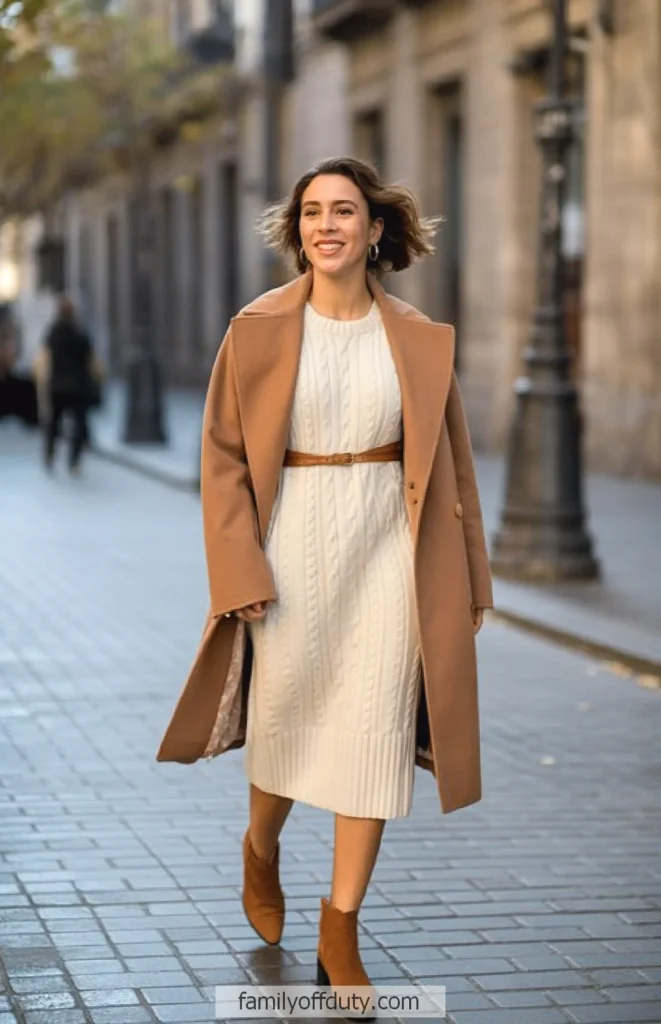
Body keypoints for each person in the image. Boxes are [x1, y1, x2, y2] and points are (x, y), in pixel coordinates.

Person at [156, 157, 493, 1015]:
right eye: (312, 212)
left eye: (344, 210)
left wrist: (471, 581)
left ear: (376, 229)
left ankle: (339, 925)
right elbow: (223, 459)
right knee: (284, 722)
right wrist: (238, 570)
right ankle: (260, 844)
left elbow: (453, 466)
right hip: (291, 548)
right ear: (298, 230)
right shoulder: (257, 329)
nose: (327, 225)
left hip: (391, 554)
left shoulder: (417, 337)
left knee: (375, 735)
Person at [42, 295, 93, 474]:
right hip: (76, 386)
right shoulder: (77, 331)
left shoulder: (54, 331)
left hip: (57, 385)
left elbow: (46, 353)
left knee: (54, 423)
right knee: (78, 424)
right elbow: (88, 354)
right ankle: (73, 461)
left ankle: (49, 455)